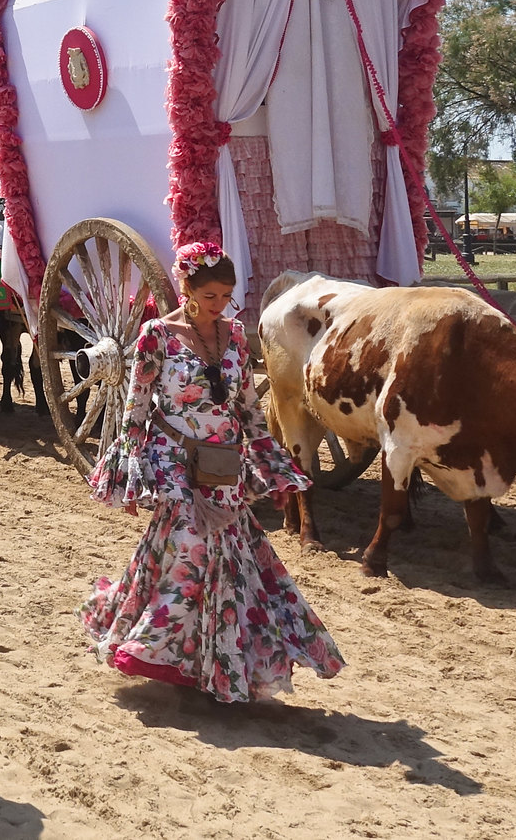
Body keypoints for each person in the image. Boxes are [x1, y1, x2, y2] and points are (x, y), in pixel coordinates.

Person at [83, 241, 344, 702]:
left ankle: (206, 660)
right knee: (188, 545)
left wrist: (270, 465)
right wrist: (130, 470)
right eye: (211, 297)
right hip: (170, 455)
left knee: (221, 556)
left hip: (223, 463)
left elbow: (247, 407)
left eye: (227, 296)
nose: (220, 305)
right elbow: (137, 407)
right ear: (186, 287)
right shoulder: (155, 336)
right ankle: (153, 648)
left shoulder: (236, 335)